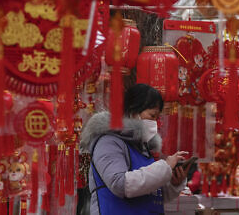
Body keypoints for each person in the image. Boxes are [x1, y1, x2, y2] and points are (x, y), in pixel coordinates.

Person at [81, 84, 189, 215]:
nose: (156, 123)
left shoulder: (142, 146)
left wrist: (173, 183)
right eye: (152, 116)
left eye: (157, 117)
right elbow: (119, 184)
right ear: (133, 112)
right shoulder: (108, 142)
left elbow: (150, 194)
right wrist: (164, 167)